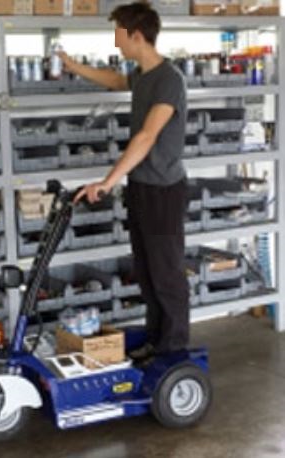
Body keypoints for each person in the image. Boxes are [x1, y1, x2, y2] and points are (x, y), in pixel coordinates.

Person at [61, 2, 189, 363]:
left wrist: (107, 182)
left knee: (166, 273)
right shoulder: (143, 76)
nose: (116, 40)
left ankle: (174, 348)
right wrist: (73, 66)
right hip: (142, 187)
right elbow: (116, 81)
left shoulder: (169, 80)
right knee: (147, 271)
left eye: (119, 32)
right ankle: (156, 340)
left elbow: (147, 137)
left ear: (137, 35)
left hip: (164, 190)